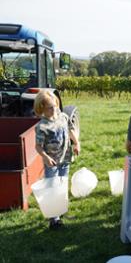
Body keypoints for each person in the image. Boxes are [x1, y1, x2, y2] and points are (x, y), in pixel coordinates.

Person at [34, 90, 80, 230]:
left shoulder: (63, 117)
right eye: (50, 108)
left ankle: (62, 211)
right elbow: (38, 147)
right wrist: (46, 157)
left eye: (55, 106)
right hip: (52, 163)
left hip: (65, 159)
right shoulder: (42, 127)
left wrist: (76, 143)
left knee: (62, 185)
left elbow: (70, 129)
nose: (54, 110)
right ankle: (54, 219)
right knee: (52, 188)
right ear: (42, 108)